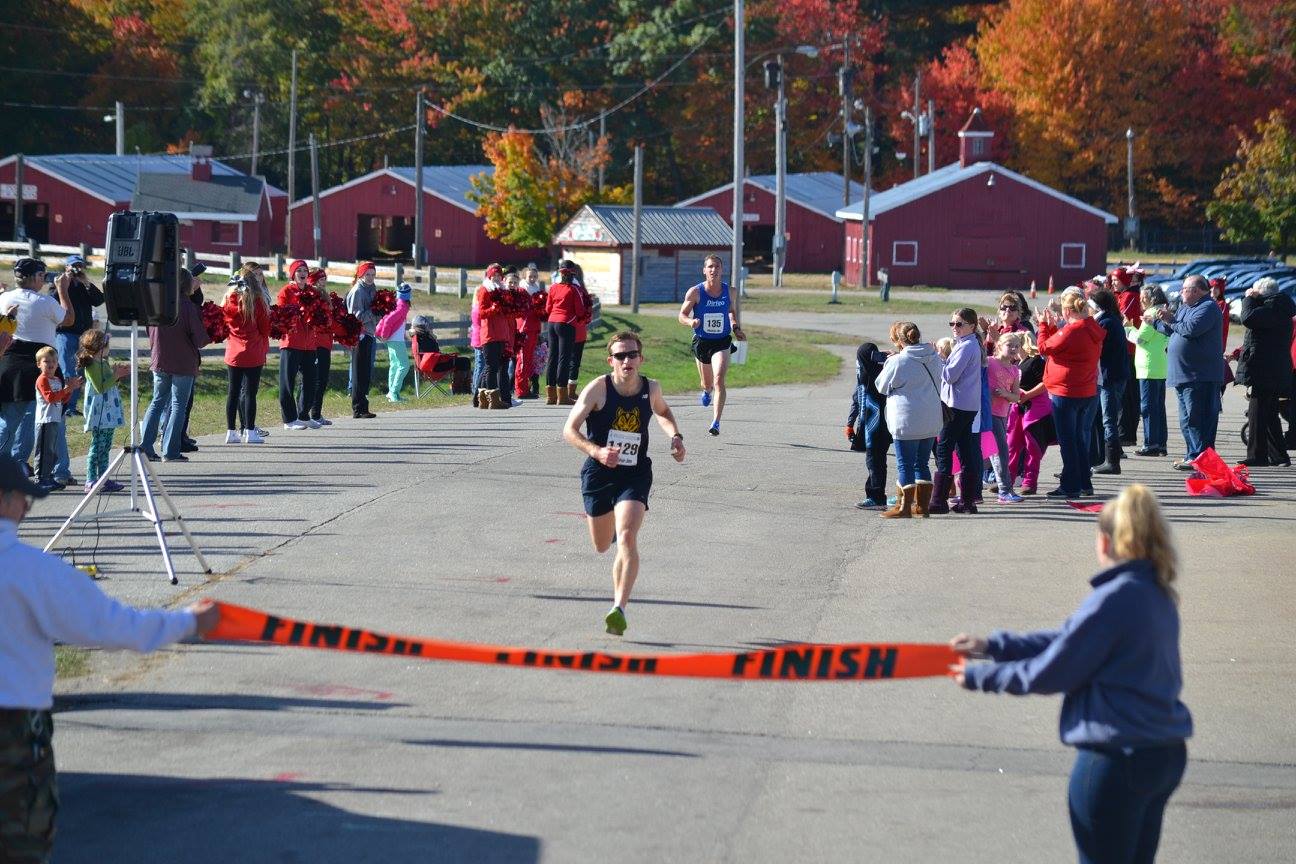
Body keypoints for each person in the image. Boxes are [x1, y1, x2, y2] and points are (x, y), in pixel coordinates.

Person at [951, 484, 1191, 864]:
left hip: (1118, 758)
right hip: (1163, 753)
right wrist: (994, 646)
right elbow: (1070, 639)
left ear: (1105, 541)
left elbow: (1055, 670)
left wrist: (981, 677)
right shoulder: (1155, 590)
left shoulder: (1115, 598)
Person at [0, 454, 218, 863]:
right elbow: (114, 627)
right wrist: (190, 622)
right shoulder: (33, 571)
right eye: (20, 498)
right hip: (13, 732)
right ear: (3, 500)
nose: (26, 508)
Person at [562, 331, 685, 636]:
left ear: (641, 359)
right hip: (599, 473)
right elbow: (569, 430)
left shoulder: (651, 388)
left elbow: (663, 411)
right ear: (611, 361)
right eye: (620, 355)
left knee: (628, 537)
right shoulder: (598, 389)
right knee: (603, 545)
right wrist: (597, 451)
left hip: (634, 473)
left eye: (632, 354)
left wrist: (675, 436)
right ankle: (614, 526)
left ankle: (619, 608)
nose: (626, 360)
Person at [0, 258, 73, 472]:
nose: (43, 280)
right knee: (49, 420)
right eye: (41, 275)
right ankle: (56, 470)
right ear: (32, 278)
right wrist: (63, 290)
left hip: (9, 364)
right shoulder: (45, 302)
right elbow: (69, 319)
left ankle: (13, 464)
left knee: (9, 420)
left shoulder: (4, 297)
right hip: (40, 364)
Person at [1152, 275, 1224, 470]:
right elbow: (1175, 330)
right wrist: (1157, 322)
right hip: (1184, 375)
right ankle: (1193, 456)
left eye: (1184, 288)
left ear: (1197, 290)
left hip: (1200, 375)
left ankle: (1201, 459)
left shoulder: (1208, 307)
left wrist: (1170, 320)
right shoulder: (1185, 307)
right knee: (1187, 421)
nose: (1181, 292)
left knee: (1198, 419)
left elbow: (1191, 329)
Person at [1038, 290, 1105, 498]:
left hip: (1067, 391)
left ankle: (1070, 486)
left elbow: (1043, 347)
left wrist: (1043, 325)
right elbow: (1059, 346)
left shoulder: (1072, 330)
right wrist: (1052, 328)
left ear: (1067, 311)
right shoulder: (1092, 327)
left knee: (1068, 442)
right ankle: (1084, 483)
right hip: (1086, 390)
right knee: (1078, 440)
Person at [874, 321, 943, 518]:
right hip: (930, 418)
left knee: (905, 464)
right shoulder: (934, 357)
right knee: (922, 463)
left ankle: (903, 507)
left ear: (898, 340)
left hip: (907, 420)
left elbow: (881, 386)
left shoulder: (898, 361)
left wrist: (889, 362)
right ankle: (922, 506)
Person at [139, 269, 208, 462]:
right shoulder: (187, 307)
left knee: (157, 401)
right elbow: (200, 339)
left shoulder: (157, 304)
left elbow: (148, 330)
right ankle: (170, 450)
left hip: (160, 358)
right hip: (183, 362)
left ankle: (146, 446)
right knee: (178, 405)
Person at [678, 255, 746, 436]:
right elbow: (681, 315)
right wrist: (691, 322)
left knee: (719, 380)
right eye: (710, 267)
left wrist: (736, 328)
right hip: (702, 342)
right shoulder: (695, 292)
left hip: (722, 341)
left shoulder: (730, 291)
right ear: (704, 270)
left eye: (717, 267)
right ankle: (706, 391)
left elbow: (731, 312)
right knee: (707, 383)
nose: (713, 270)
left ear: (722, 270)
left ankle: (716, 422)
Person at [1235, 276, 1295, 467]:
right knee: (1268, 414)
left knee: (1257, 414)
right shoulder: (1279, 307)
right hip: (1272, 368)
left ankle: (1257, 455)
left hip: (1265, 369)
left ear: (1261, 293)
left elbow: (1247, 318)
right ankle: (1279, 456)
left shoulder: (1272, 307)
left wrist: (1248, 298)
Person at [928, 308, 984, 515]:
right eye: (952, 323)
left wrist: (937, 359)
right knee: (965, 451)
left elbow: (950, 376)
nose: (955, 327)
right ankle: (968, 502)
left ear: (972, 326)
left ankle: (939, 501)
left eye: (959, 324)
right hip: (966, 405)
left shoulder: (967, 346)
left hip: (957, 405)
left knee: (944, 449)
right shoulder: (968, 344)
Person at [221, 273, 271, 444]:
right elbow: (265, 329)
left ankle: (230, 432)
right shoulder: (258, 303)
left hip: (233, 353)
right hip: (253, 352)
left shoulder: (228, 301)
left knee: (233, 392)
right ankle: (249, 431)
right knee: (250, 393)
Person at [76, 330, 128, 493]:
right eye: (107, 345)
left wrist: (116, 374)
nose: (108, 348)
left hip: (109, 412)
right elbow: (100, 387)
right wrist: (115, 375)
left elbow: (109, 383)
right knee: (97, 447)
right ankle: (91, 480)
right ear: (100, 346)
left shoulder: (103, 362)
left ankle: (104, 478)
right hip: (99, 413)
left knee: (105, 447)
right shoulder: (92, 365)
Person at [52, 255, 102, 421]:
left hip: (83, 335)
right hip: (65, 334)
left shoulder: (83, 286)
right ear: (66, 267)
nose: (77, 269)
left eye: (80, 266)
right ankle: (62, 404)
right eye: (74, 266)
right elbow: (52, 300)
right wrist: (62, 286)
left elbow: (99, 300)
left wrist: (86, 282)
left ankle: (71, 407)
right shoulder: (60, 284)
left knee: (80, 370)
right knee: (67, 370)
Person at [845, 341, 892, 510]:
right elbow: (857, 398)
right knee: (877, 460)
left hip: (876, 426)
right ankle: (876, 494)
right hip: (878, 425)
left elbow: (857, 397)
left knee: (874, 461)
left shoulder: (872, 375)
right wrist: (850, 423)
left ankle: (876, 497)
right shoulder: (882, 370)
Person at [1090, 287, 1131, 476]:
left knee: (1109, 419)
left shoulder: (1105, 322)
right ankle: (1107, 458)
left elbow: (1096, 347)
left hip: (1110, 377)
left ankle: (1112, 461)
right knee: (1108, 418)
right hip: (1114, 375)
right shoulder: (1111, 319)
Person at [1128, 286, 1170, 458]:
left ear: (1151, 298)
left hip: (1148, 367)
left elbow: (1140, 339)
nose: (1141, 300)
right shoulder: (1164, 311)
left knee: (1148, 407)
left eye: (1143, 297)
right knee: (1158, 407)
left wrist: (1128, 328)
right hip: (1159, 364)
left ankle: (1151, 444)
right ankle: (1160, 443)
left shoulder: (1151, 313)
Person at [1009, 333, 1054, 495]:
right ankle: (1007, 480)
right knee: (1012, 445)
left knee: (1033, 447)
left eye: (1014, 345)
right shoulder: (1015, 363)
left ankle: (1030, 481)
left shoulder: (1035, 361)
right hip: (1018, 409)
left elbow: (1046, 383)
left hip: (1035, 410)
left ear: (1022, 344)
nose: (1012, 349)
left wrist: (1027, 395)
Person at [32, 347, 78, 493]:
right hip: (45, 421)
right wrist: (66, 390)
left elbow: (62, 400)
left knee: (52, 452)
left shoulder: (57, 380)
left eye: (54, 361)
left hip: (55, 419)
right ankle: (40, 478)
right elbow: (50, 398)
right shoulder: (42, 379)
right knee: (44, 451)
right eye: (46, 361)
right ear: (39, 364)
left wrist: (70, 390)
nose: (51, 364)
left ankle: (48, 476)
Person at [986, 333, 1025, 503]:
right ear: (999, 345)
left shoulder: (1015, 370)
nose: (1014, 349)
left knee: (995, 452)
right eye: (1010, 345)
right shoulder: (989, 362)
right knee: (1000, 452)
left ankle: (976, 490)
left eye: (1017, 346)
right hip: (988, 412)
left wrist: (1005, 394)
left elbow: (1016, 397)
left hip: (1002, 414)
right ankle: (1004, 490)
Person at [474, 264, 512, 410]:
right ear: (489, 276)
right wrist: (493, 308)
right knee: (491, 367)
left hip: (501, 333)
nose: (496, 277)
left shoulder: (502, 290)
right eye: (494, 275)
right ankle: (493, 399)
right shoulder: (485, 290)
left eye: (498, 275)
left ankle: (483, 399)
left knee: (494, 367)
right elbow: (481, 312)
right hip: (489, 334)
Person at [546, 262, 584, 406]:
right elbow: (580, 310)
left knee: (552, 357)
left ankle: (551, 395)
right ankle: (562, 395)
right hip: (566, 323)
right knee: (564, 358)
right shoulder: (574, 289)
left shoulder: (553, 287)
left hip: (552, 322)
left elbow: (548, 308)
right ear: (573, 274)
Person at [345, 261, 379, 419]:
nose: (370, 277)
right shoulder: (358, 291)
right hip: (360, 334)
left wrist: (381, 311)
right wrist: (374, 312)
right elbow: (355, 316)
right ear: (361, 275)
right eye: (367, 275)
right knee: (358, 372)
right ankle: (357, 408)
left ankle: (364, 406)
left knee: (365, 371)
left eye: (373, 275)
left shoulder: (371, 289)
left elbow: (374, 313)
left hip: (370, 333)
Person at [377, 283, 414, 402]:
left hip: (393, 339)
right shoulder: (402, 306)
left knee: (395, 365)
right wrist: (384, 335)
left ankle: (392, 393)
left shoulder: (398, 303)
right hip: (396, 339)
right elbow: (388, 321)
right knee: (404, 365)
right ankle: (393, 392)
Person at [516, 265, 546, 399]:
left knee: (529, 359)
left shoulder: (537, 290)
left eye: (535, 276)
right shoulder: (522, 290)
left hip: (534, 327)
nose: (533, 279)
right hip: (525, 327)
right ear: (525, 277)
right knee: (522, 359)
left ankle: (526, 388)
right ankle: (520, 389)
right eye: (530, 276)